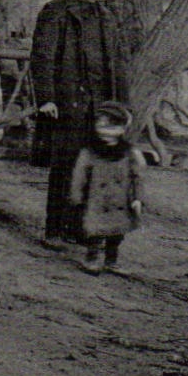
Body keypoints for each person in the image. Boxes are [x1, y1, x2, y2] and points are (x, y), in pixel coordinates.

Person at [29, 0, 129, 246]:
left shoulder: (108, 19)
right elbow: (43, 57)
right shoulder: (56, 12)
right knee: (64, 166)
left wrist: (122, 106)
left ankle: (79, 228)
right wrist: (46, 98)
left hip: (101, 107)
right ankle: (54, 230)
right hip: (68, 103)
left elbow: (118, 65)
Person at [68, 101, 146, 274]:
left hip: (120, 200)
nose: (106, 132)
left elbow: (138, 176)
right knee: (95, 232)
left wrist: (137, 198)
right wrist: (76, 196)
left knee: (117, 233)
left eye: (112, 127)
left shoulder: (129, 152)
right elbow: (79, 175)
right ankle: (92, 258)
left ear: (122, 129)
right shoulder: (89, 152)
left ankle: (111, 260)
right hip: (97, 200)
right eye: (102, 126)